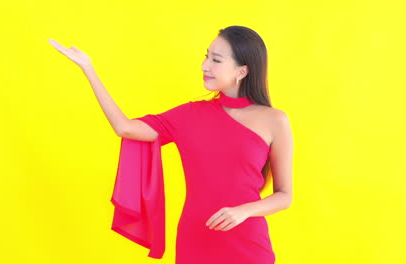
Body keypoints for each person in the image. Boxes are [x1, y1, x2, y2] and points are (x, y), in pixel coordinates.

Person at [48, 25, 293, 264]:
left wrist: (244, 211)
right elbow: (125, 128)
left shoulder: (275, 120)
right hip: (195, 240)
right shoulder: (190, 115)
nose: (204, 66)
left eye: (216, 60)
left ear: (242, 71)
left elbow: (284, 196)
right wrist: (89, 69)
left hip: (247, 244)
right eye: (206, 57)